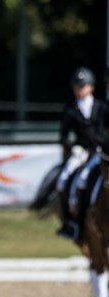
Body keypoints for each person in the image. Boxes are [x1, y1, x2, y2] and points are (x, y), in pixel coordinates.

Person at [56, 66, 108, 240]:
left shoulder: (101, 107)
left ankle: (87, 218)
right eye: (77, 86)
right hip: (80, 151)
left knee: (85, 178)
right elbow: (63, 135)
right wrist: (71, 147)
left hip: (99, 151)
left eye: (83, 86)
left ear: (91, 87)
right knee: (62, 181)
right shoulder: (70, 109)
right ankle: (69, 223)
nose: (80, 90)